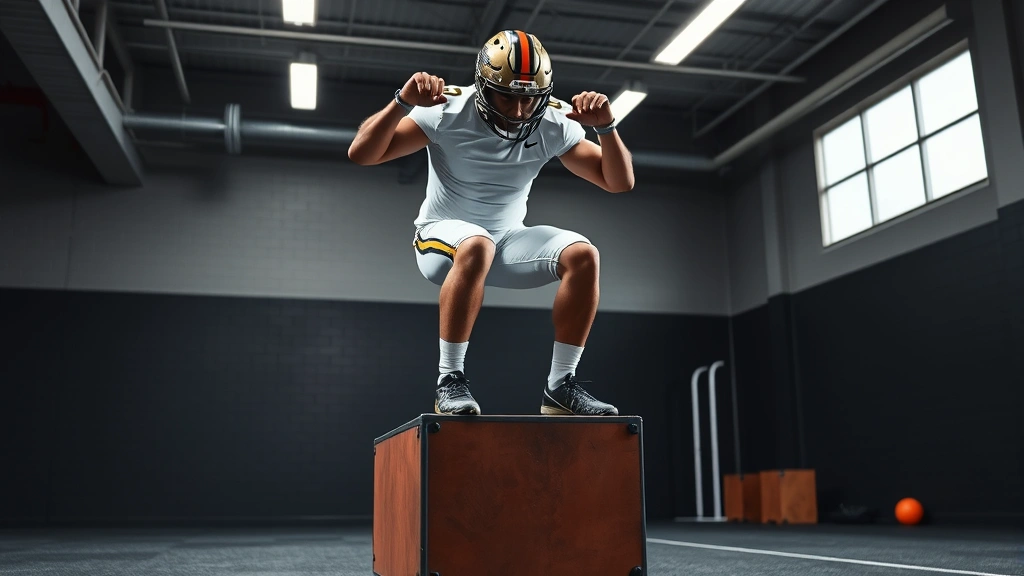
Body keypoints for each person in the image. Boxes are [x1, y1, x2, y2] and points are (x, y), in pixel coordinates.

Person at [347, 29, 634, 416]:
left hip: (507, 242)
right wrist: (402, 102)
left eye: (529, 100)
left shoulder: (552, 123)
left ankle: (559, 387)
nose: (518, 112)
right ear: (483, 85)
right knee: (476, 243)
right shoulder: (445, 110)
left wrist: (607, 128)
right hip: (441, 240)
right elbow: (362, 154)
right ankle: (449, 380)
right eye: (508, 97)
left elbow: (619, 182)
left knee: (584, 255)